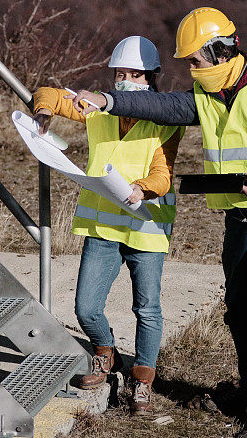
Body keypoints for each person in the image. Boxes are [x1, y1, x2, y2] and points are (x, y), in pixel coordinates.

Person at [68, 8, 247, 438]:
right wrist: (106, 100)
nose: (190, 69)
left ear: (220, 52)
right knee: (241, 315)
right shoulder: (207, 96)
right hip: (239, 219)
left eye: (194, 61)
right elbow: (160, 105)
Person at [32, 36, 185, 415]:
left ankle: (143, 381)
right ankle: (105, 352)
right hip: (103, 229)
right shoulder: (98, 109)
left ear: (150, 79)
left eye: (134, 74)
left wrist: (144, 188)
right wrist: (42, 112)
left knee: (146, 308)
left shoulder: (166, 119)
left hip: (146, 227)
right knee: (86, 308)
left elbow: (164, 174)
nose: (125, 79)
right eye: (120, 72)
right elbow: (49, 92)